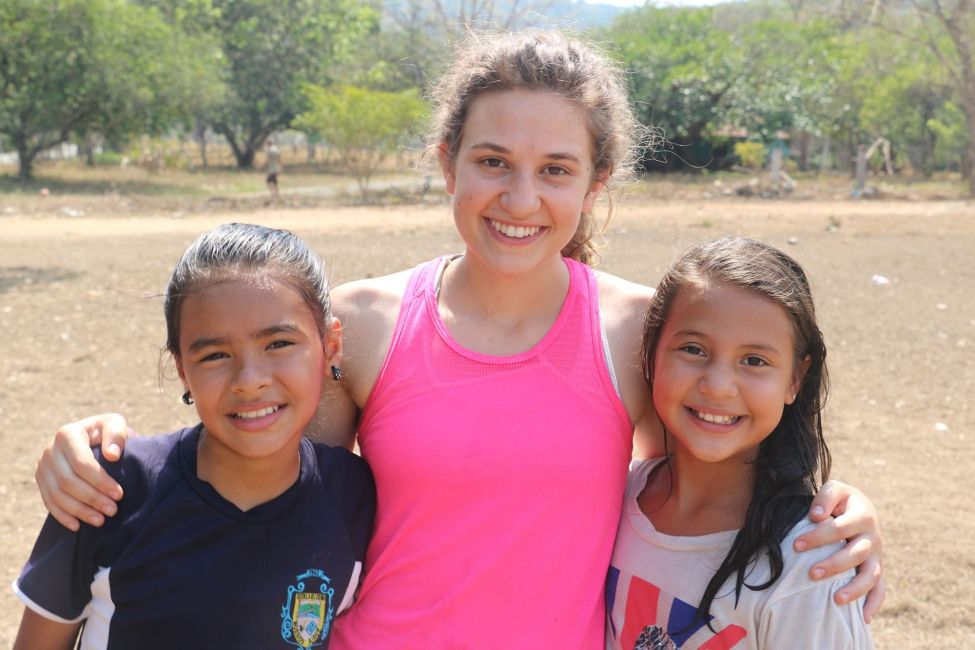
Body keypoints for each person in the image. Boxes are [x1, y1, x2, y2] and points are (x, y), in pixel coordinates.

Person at [32, 31, 883, 649]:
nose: (519, 197)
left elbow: (704, 479)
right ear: (446, 164)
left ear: (595, 184)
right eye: (490, 161)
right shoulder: (362, 323)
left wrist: (834, 509)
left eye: (554, 169)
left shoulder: (635, 331)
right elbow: (268, 472)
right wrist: (100, 452)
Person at [14, 224, 376, 649]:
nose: (250, 380)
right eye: (215, 355)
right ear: (182, 367)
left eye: (278, 343)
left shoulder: (357, 498)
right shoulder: (108, 489)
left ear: (330, 345)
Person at [606, 237, 873, 649]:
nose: (718, 387)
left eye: (754, 361)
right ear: (651, 354)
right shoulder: (611, 498)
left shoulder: (810, 562)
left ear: (795, 379)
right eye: (693, 349)